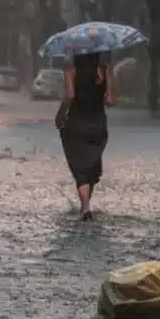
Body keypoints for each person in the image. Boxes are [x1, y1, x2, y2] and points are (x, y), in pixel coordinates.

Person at [56, 51, 114, 220]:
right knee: (92, 166)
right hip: (98, 124)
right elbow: (110, 100)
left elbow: (70, 96)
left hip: (77, 123)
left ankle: (85, 208)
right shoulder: (104, 69)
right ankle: (87, 203)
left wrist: (60, 115)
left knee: (80, 167)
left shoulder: (71, 69)